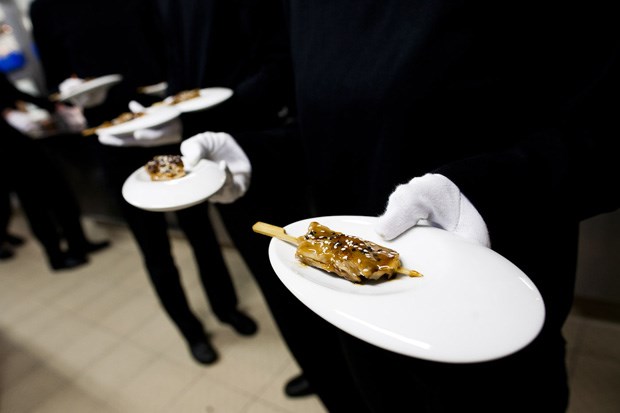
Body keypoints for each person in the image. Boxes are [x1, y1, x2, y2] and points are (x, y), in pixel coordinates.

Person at [175, 2, 620, 412]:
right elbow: (345, 125)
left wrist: (494, 190)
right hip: (356, 311)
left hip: (483, 319)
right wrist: (260, 155)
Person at [29, 0, 258, 365]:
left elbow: (168, 45)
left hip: (165, 124)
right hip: (111, 137)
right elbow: (54, 79)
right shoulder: (46, 9)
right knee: (153, 247)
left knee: (200, 229)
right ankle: (190, 330)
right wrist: (73, 91)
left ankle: (225, 307)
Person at [0, 71, 110, 270]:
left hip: (22, 143)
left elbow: (12, 92)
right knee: (35, 204)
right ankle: (55, 256)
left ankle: (78, 243)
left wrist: (53, 105)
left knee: (60, 194)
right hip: (9, 151)